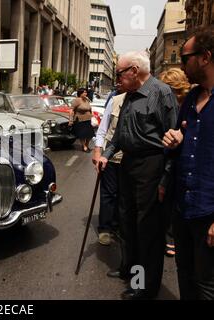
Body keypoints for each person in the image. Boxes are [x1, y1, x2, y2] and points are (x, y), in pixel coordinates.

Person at [98, 51, 179, 300]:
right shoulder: (129, 96)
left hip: (151, 166)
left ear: (134, 70)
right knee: (127, 222)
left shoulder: (162, 93)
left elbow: (174, 140)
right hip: (128, 164)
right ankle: (129, 271)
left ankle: (144, 286)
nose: (117, 78)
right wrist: (106, 154)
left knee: (147, 230)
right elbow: (120, 134)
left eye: (120, 73)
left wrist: (165, 179)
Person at [162, 27, 214, 300]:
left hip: (208, 214)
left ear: (204, 57)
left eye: (185, 58)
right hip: (182, 208)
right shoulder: (191, 99)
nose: (181, 66)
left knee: (207, 285)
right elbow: (182, 146)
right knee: (185, 275)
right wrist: (175, 140)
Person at [159, 68, 191, 258]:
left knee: (170, 203)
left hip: (175, 165)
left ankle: (170, 238)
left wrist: (164, 178)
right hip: (169, 163)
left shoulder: (183, 109)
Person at [92, 84, 126, 246]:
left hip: (131, 159)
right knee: (108, 194)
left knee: (124, 195)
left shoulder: (144, 101)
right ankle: (105, 228)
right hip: (111, 157)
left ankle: (118, 226)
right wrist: (97, 151)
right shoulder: (114, 100)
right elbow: (102, 129)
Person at [70, 88, 94, 152]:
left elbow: (89, 109)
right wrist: (71, 120)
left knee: (90, 134)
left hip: (88, 119)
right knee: (82, 135)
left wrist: (92, 116)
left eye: (86, 92)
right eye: (84, 92)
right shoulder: (76, 100)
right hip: (80, 120)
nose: (86, 93)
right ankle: (84, 146)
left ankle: (86, 144)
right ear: (80, 93)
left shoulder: (87, 100)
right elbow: (71, 110)